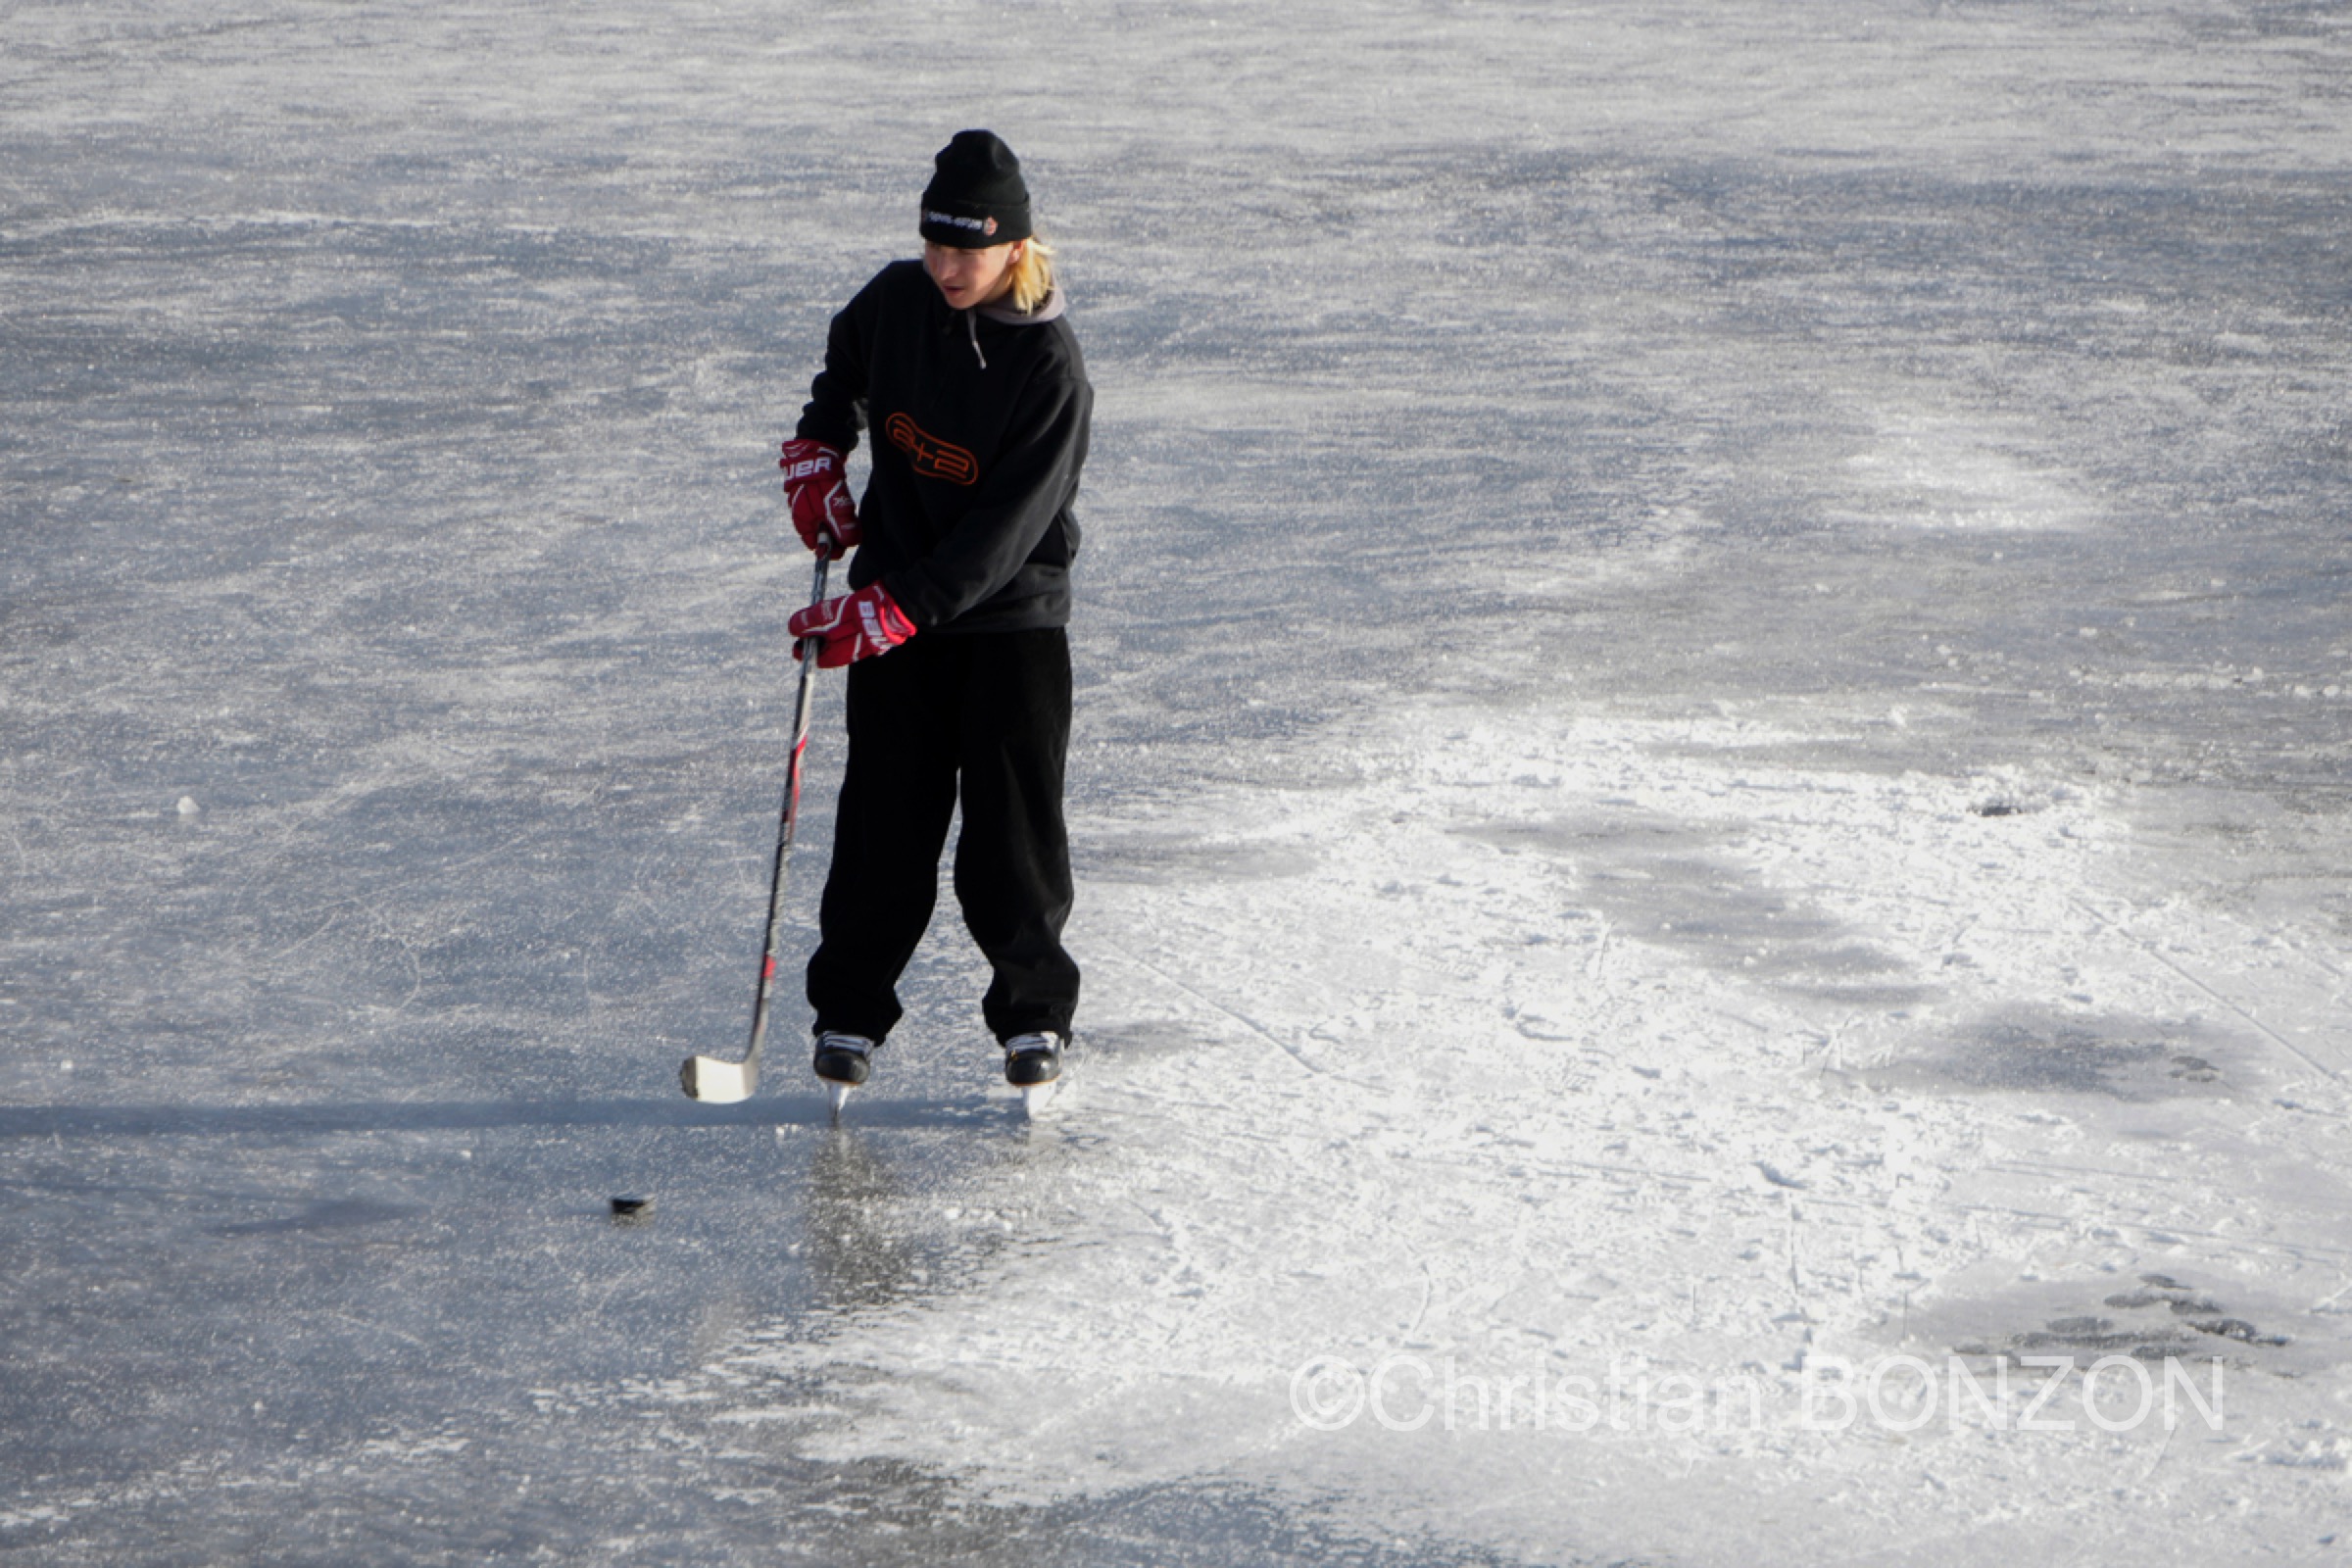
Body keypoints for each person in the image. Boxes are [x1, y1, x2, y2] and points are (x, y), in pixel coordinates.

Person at [776, 129, 1092, 1102]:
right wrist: (819, 451)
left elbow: (1004, 535)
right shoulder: (895, 302)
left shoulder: (1046, 365)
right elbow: (847, 370)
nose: (948, 267)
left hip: (1008, 628)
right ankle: (849, 1013)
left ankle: (1032, 1015)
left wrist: (895, 611)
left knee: (1010, 841)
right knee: (882, 824)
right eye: (936, 244)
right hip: (895, 611)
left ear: (1016, 248)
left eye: (969, 248)